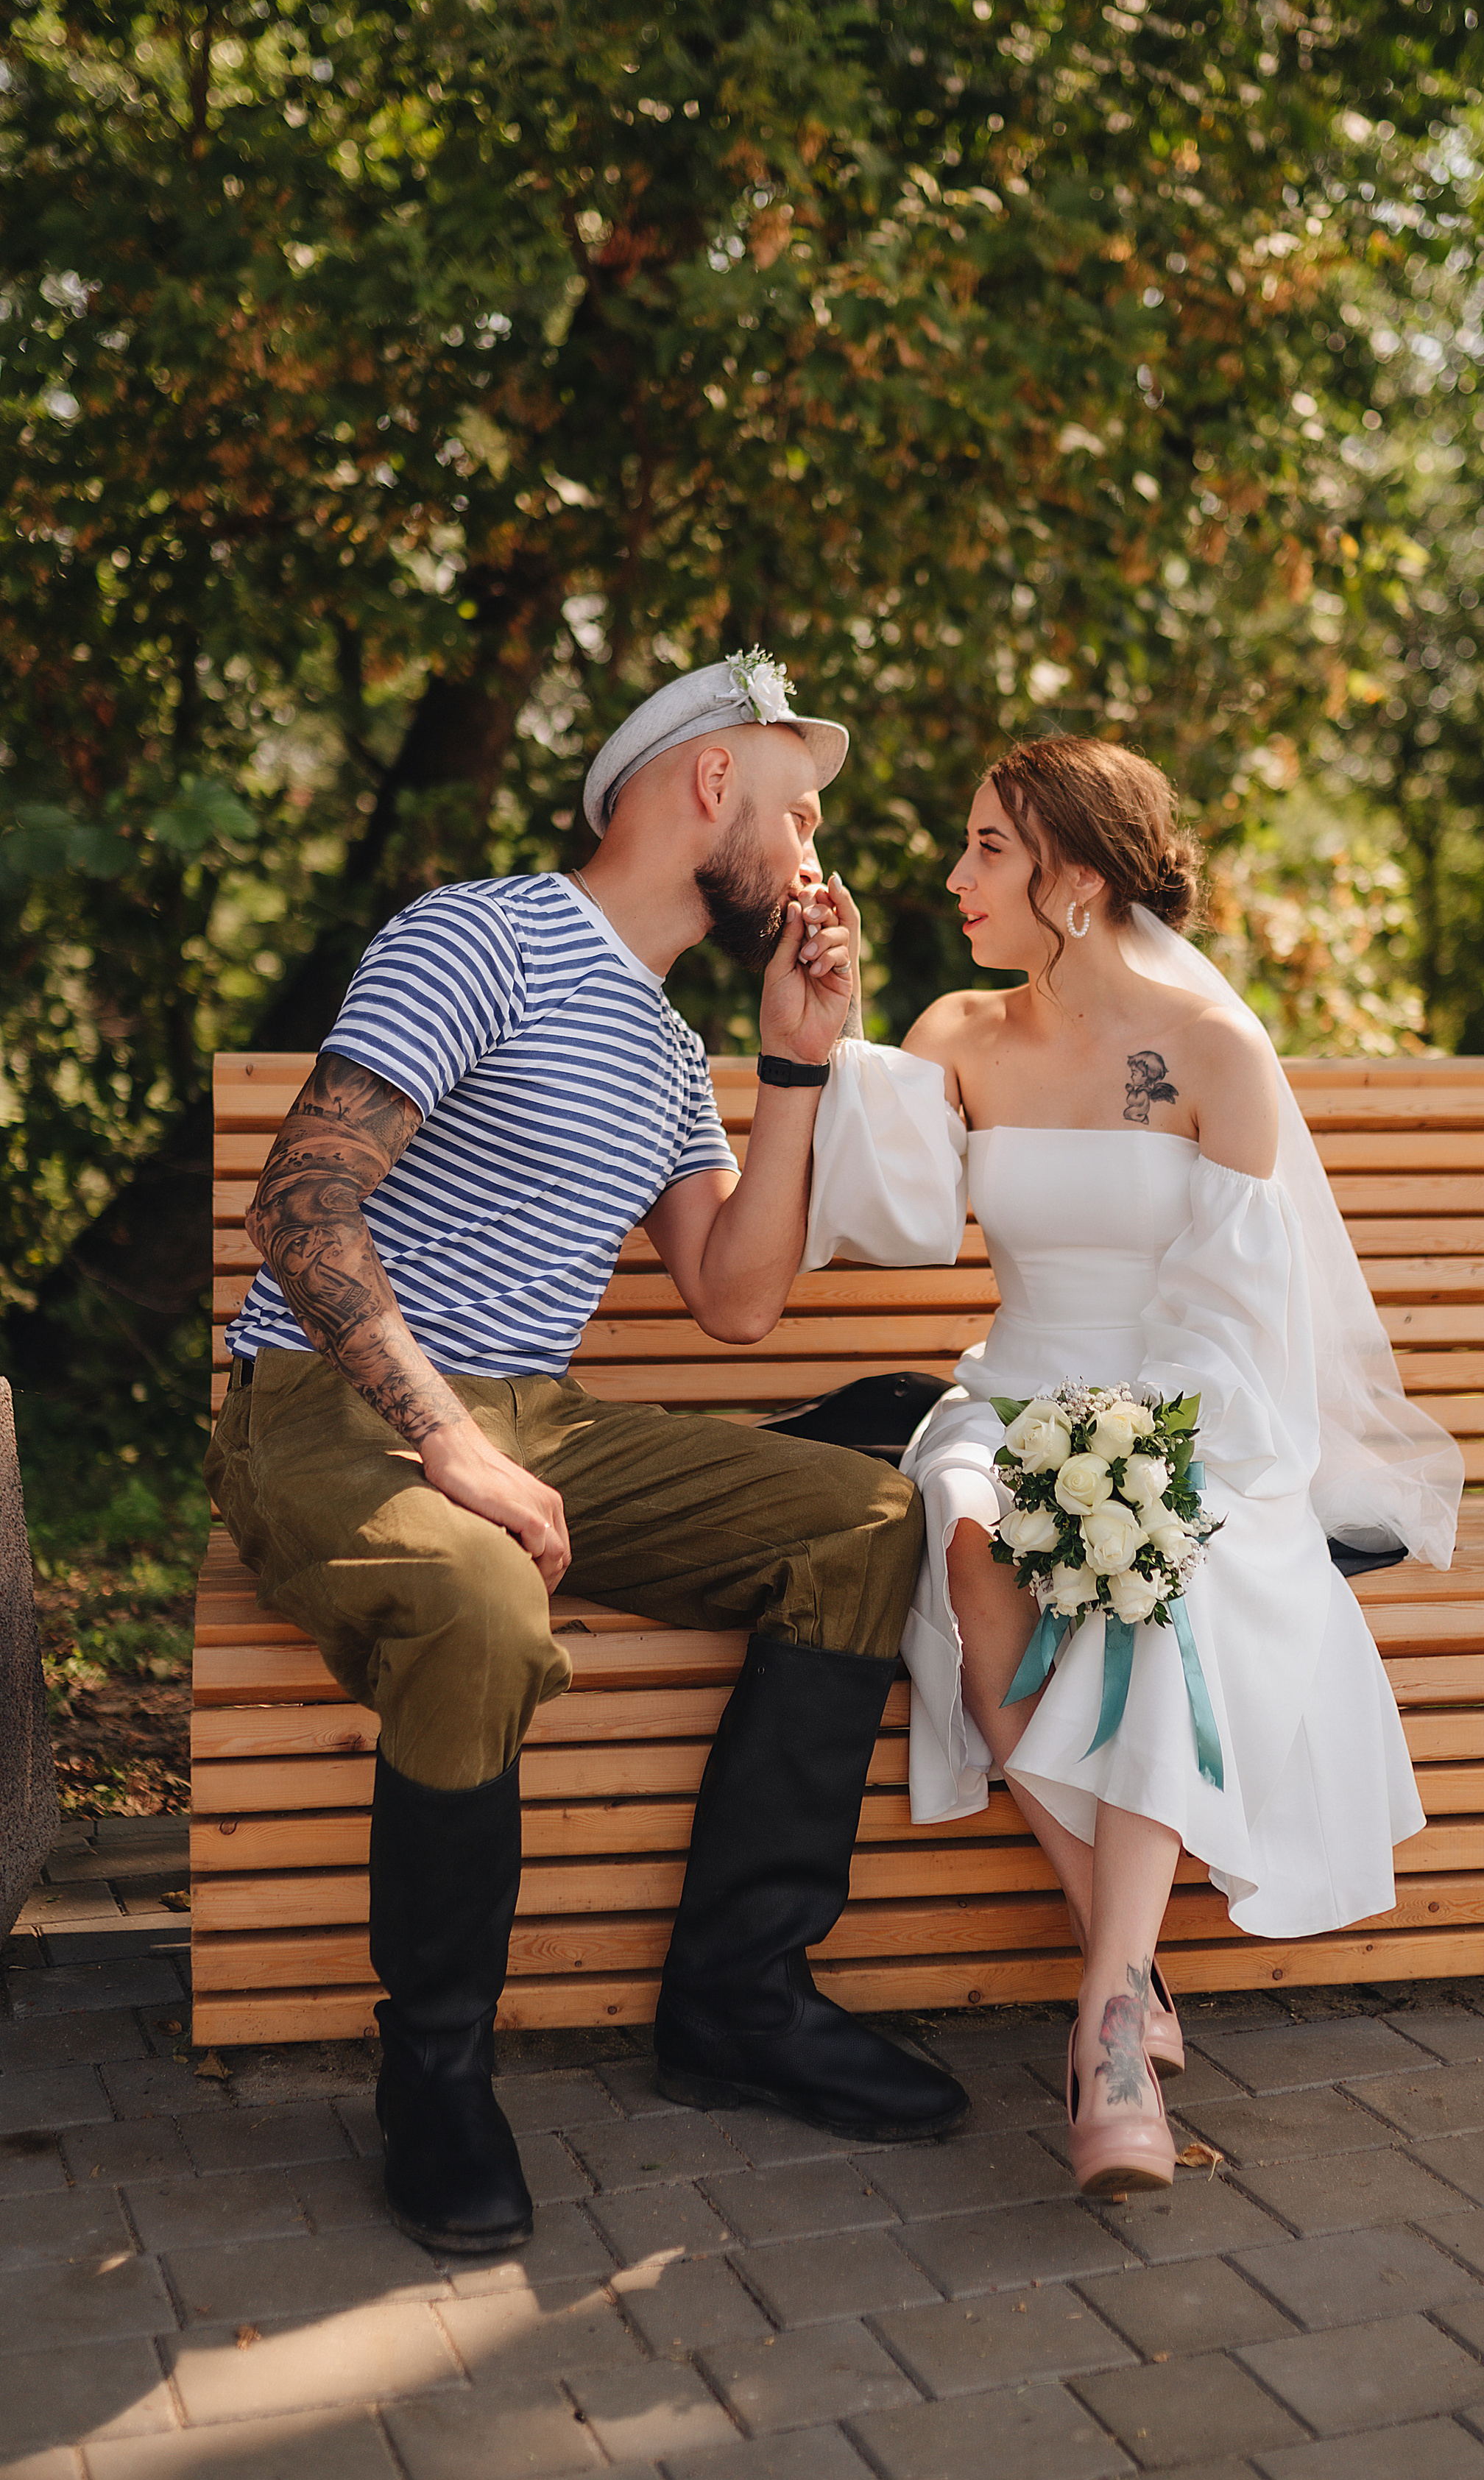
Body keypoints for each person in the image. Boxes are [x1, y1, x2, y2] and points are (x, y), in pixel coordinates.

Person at [208, 654, 969, 2261]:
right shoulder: (477, 933)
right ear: (709, 785)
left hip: (530, 1418)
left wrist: (798, 1062)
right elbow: (300, 1206)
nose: (816, 847)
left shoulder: (657, 1041)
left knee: (861, 1513)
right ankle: (435, 2073)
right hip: (331, 1404)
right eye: (800, 804)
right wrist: (446, 1441)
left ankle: (735, 1999)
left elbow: (736, 1301)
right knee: (482, 1595)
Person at [802, 737, 1461, 2194]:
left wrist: (1142, 1459)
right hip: (1010, 1390)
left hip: (1187, 1408)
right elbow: (886, 1221)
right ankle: (1132, 1965)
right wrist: (838, 1031)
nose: (956, 873)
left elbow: (1241, 1305)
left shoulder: (1212, 1052)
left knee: (1156, 1595)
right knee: (965, 1537)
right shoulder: (956, 1030)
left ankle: (1104, 2025)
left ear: (1077, 877)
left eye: (988, 846)